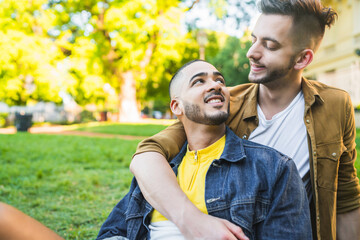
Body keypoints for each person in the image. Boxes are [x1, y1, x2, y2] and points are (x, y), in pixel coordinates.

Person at [129, 1, 360, 240]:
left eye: (269, 46)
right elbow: (147, 155)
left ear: (302, 59)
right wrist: (192, 221)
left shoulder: (335, 105)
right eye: (253, 40)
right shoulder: (225, 104)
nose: (252, 52)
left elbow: (346, 197)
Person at [97, 60, 312, 240]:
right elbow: (112, 232)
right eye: (199, 81)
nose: (216, 85)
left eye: (220, 80)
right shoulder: (159, 171)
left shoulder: (272, 168)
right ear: (176, 107)